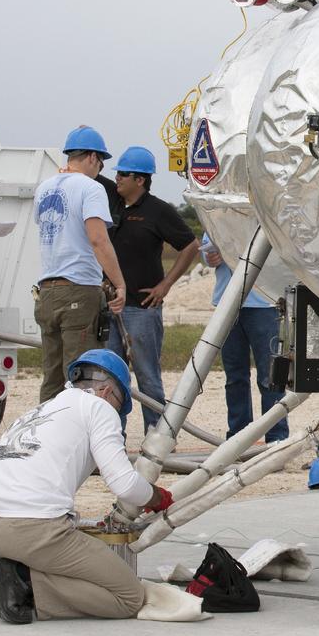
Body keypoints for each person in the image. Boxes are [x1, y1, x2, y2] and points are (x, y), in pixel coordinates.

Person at [0, 350, 173, 624]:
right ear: (106, 391)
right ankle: (24, 585)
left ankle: (17, 567)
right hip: (25, 528)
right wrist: (156, 497)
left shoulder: (43, 408)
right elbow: (124, 484)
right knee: (128, 597)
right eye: (120, 405)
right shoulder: (99, 408)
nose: (118, 413)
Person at [105, 146, 200, 431]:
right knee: (110, 375)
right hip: (110, 307)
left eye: (124, 174)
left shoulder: (158, 211)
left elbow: (190, 245)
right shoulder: (113, 206)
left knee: (147, 376)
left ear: (140, 180)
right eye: (117, 174)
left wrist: (165, 285)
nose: (118, 179)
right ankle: (112, 435)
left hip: (141, 309)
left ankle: (156, 434)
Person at [34, 126, 127, 402]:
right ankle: (78, 443)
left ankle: (47, 440)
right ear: (91, 157)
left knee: (52, 378)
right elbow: (98, 240)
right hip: (78, 290)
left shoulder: (44, 188)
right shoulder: (91, 188)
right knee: (81, 377)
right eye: (101, 161)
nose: (100, 168)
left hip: (47, 292)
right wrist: (119, 283)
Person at [201, 234, 287, 442]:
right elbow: (207, 250)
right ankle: (238, 437)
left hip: (263, 304)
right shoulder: (219, 209)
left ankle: (275, 438)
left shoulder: (263, 210)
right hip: (227, 302)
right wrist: (210, 258)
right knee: (235, 377)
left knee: (270, 377)